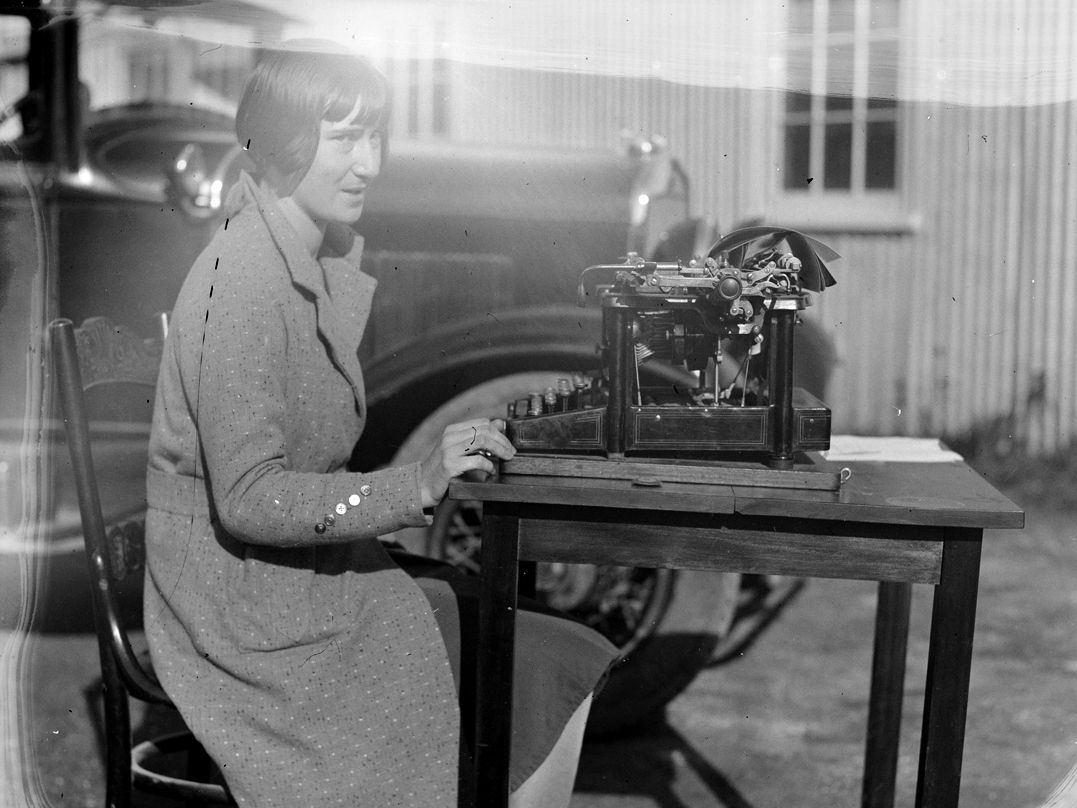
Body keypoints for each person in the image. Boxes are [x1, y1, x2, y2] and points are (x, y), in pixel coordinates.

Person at [143, 41, 618, 808]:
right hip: (239, 596)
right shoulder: (243, 282)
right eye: (343, 138)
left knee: (548, 655)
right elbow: (247, 499)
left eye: (375, 136)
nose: (368, 163)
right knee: (536, 658)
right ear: (284, 142)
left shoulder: (300, 256)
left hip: (285, 572)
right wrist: (419, 480)